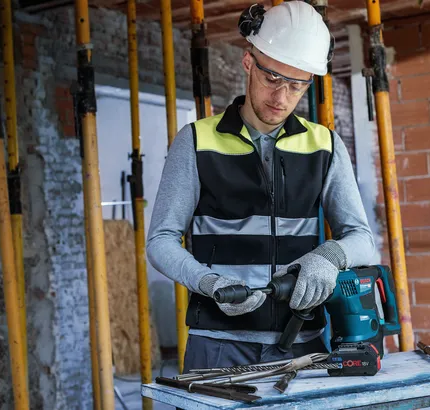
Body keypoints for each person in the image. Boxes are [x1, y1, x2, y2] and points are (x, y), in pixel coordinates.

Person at [146, 0, 375, 373]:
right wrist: (208, 281)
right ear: (249, 62)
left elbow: (361, 237)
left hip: (303, 341)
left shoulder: (325, 145)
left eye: (296, 85)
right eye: (272, 78)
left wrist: (329, 257)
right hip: (218, 345)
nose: (281, 97)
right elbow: (161, 240)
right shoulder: (196, 141)